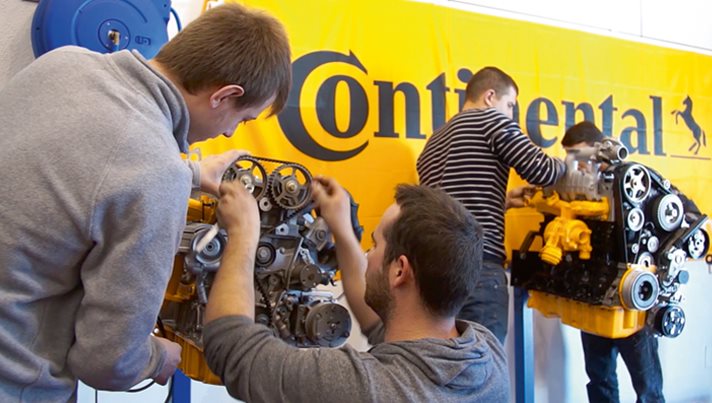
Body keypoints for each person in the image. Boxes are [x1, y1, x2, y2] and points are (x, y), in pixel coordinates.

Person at [0, 4, 291, 401]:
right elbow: (106, 361)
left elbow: (87, 164)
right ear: (225, 95)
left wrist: (189, 172)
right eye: (241, 120)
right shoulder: (155, 174)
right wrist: (157, 357)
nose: (228, 134)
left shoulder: (63, 63)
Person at [203, 177, 510, 402]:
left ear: (400, 271)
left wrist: (243, 233)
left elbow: (233, 350)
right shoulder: (486, 353)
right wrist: (341, 228)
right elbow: (381, 323)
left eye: (375, 245)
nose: (367, 255)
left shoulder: (364, 387)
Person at [416, 66, 565, 343]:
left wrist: (503, 201)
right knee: (483, 370)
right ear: (489, 96)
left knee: (444, 368)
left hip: (434, 272)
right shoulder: (491, 121)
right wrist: (571, 165)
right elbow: (542, 171)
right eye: (509, 105)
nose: (510, 115)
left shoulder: (433, 143)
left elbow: (449, 200)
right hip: (477, 267)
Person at [559, 121, 672, 403]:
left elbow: (677, 218)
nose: (576, 164)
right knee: (600, 381)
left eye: (579, 155)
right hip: (595, 296)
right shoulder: (579, 187)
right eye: (570, 157)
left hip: (633, 303)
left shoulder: (636, 179)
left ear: (598, 149)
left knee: (648, 391)